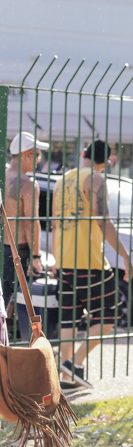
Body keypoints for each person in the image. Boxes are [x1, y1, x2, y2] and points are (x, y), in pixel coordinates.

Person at [52, 140, 133, 392]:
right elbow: (103, 220)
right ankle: (73, 364)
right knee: (112, 313)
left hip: (64, 260)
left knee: (69, 318)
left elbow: (55, 223)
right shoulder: (96, 180)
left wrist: (56, 259)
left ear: (83, 154)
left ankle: (66, 379)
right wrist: (124, 254)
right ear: (106, 161)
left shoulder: (62, 179)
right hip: (89, 261)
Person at [4, 132, 48, 313]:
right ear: (25, 154)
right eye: (37, 154)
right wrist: (36, 257)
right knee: (11, 303)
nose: (39, 160)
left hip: (3, 246)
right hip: (17, 250)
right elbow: (32, 222)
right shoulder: (27, 183)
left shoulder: (2, 177)